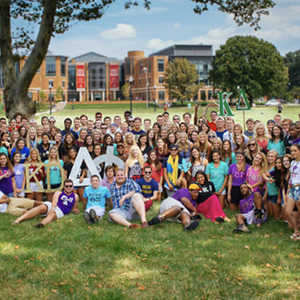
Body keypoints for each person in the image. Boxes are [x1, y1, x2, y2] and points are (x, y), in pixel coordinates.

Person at [13, 179, 79, 228]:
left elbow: (73, 208)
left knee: (52, 214)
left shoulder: (75, 197)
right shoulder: (59, 192)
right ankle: (18, 220)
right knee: (41, 207)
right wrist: (53, 208)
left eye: (70, 186)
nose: (68, 187)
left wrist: (75, 210)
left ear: (72, 186)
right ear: (64, 187)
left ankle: (41, 224)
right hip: (53, 205)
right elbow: (54, 200)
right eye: (67, 186)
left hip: (61, 211)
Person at [285, 144, 300, 240]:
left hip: (299, 187)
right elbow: (290, 178)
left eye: (295, 150)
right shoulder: (293, 163)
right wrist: (287, 191)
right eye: (291, 151)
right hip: (292, 188)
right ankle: (296, 231)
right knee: (287, 212)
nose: (293, 153)